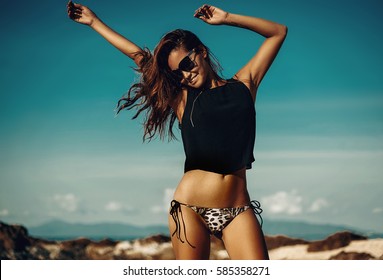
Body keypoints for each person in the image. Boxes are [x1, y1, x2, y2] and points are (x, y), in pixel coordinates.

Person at [67, 1, 287, 260]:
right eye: (176, 73)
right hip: (189, 208)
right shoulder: (182, 99)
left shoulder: (245, 85)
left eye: (187, 63)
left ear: (201, 52)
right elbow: (140, 57)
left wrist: (226, 18)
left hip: (238, 208)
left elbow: (278, 32)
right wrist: (94, 22)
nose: (185, 75)